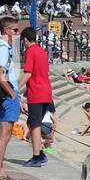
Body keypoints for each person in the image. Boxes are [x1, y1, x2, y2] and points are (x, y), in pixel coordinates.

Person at [0, 17, 21, 180]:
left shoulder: (3, 48)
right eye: (15, 30)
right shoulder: (2, 48)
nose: (18, 33)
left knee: (4, 133)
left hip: (9, 93)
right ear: (7, 31)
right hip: (8, 95)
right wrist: (12, 93)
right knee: (4, 133)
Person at [19, 27, 53, 167]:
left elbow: (28, 73)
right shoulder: (42, 51)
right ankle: (40, 153)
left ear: (25, 39)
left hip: (37, 93)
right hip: (46, 92)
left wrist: (16, 88)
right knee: (33, 123)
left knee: (34, 125)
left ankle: (37, 155)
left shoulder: (30, 52)